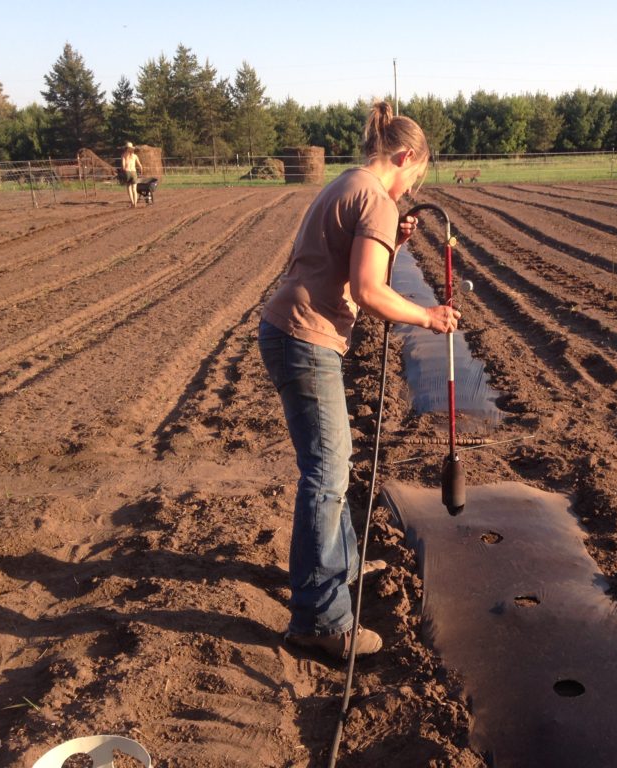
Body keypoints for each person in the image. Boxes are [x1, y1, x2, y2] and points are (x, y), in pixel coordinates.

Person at [259, 101, 459, 660]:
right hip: (305, 336)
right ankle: (319, 619)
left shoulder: (352, 183)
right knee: (325, 473)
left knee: (332, 464)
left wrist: (392, 243)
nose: (411, 187)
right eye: (415, 176)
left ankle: (337, 563)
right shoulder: (374, 197)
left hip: (291, 330)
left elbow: (348, 266)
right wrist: (429, 316)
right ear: (404, 156)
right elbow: (369, 293)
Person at [121, 142, 142, 208]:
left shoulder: (123, 155)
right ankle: (135, 203)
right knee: (134, 189)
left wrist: (122, 172)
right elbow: (140, 166)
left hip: (127, 172)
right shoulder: (135, 156)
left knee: (129, 188)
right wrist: (141, 171)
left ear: (126, 148)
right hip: (134, 172)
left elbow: (123, 166)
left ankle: (132, 202)